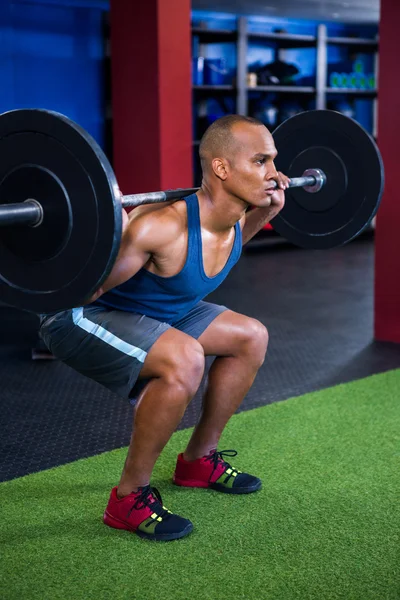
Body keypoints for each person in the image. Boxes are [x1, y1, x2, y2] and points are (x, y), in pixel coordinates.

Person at [39, 114, 289, 542]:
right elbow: (84, 290)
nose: (275, 174)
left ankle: (198, 460)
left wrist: (267, 211)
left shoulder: (238, 220)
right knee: (183, 359)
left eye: (274, 161)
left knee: (251, 337)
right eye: (261, 161)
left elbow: (220, 258)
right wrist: (101, 231)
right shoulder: (161, 226)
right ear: (222, 169)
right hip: (79, 314)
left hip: (162, 310)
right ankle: (127, 498)